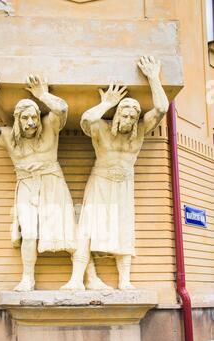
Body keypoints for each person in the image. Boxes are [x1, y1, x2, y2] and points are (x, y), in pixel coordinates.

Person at [61, 56, 169, 291]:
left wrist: (153, 77)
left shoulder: (140, 130)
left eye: (132, 116)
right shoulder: (102, 128)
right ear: (117, 114)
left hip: (124, 184)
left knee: (124, 228)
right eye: (124, 114)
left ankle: (125, 280)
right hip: (100, 181)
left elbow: (161, 108)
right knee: (87, 228)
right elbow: (87, 119)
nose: (129, 119)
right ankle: (76, 279)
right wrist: (107, 103)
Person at [0, 72, 76, 291]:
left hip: (52, 181)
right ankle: (28, 278)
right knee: (29, 232)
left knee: (68, 228)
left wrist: (43, 94)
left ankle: (82, 276)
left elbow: (63, 109)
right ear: (17, 119)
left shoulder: (50, 125)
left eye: (34, 117)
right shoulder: (9, 137)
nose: (31, 122)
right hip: (27, 185)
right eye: (25, 118)